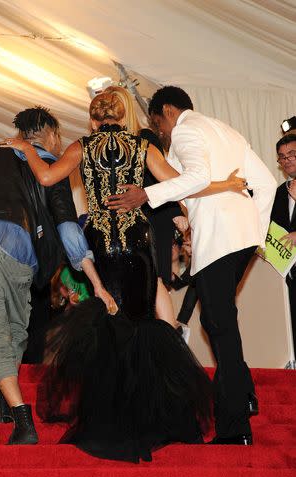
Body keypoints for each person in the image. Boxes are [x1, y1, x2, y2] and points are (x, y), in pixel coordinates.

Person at [0, 91, 213, 463]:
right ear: (125, 115)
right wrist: (183, 217)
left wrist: (26, 148)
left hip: (102, 244)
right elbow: (183, 186)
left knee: (110, 332)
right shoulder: (142, 145)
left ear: (93, 120)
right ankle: (152, 420)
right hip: (137, 245)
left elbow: (47, 177)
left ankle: (111, 424)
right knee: (143, 327)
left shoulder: (82, 146)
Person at [0, 106, 116, 446]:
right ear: (52, 134)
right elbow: (70, 232)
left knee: (12, 333)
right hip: (20, 256)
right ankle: (23, 418)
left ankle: (4, 399)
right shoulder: (53, 171)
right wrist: (97, 283)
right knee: (4, 333)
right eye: (60, 137)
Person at [106, 86, 277, 445]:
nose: (162, 133)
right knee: (223, 320)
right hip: (242, 237)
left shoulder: (185, 130)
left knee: (219, 326)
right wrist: (253, 232)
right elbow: (267, 184)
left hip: (219, 240)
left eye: (158, 123)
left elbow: (198, 177)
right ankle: (243, 392)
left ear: (168, 111)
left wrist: (146, 195)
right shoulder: (226, 129)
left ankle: (235, 426)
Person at [104, 85, 183, 326]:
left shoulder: (145, 138)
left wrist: (179, 212)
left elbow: (166, 179)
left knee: (155, 279)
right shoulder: (101, 147)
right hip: (121, 223)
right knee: (130, 284)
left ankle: (171, 339)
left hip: (151, 218)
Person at [271, 133, 296, 354]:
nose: (287, 160)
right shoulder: (277, 193)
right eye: (282, 157)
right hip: (287, 279)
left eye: (292, 154)